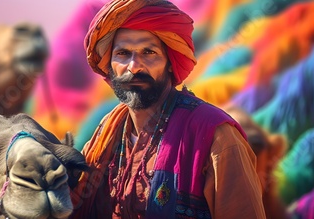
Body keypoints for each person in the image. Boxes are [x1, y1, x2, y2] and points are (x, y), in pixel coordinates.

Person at [70, 0, 266, 218]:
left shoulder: (216, 135)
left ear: (171, 62)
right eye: (123, 53)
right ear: (110, 64)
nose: (134, 66)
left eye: (148, 52)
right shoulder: (105, 134)